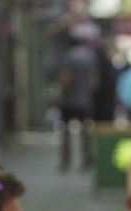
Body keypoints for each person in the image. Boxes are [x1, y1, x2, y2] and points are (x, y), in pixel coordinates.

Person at [56, 31, 98, 170]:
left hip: (69, 100)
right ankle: (86, 160)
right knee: (85, 132)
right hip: (85, 100)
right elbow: (93, 81)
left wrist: (62, 94)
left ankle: (66, 162)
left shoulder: (67, 57)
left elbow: (65, 78)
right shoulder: (89, 58)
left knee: (66, 132)